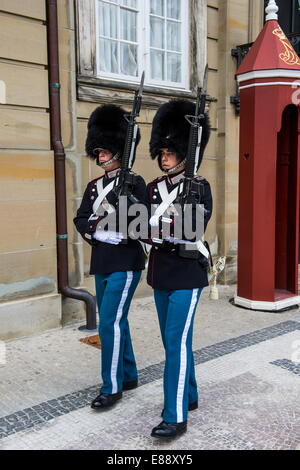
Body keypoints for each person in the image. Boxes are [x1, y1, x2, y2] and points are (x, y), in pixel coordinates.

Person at [146, 99, 212, 438]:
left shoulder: (200, 186)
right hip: (160, 275)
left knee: (175, 341)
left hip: (187, 276)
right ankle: (191, 393)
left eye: (171, 151)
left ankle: (175, 415)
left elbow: (192, 230)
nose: (165, 156)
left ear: (186, 152)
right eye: (163, 151)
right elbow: (134, 226)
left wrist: (163, 229)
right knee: (175, 341)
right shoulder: (152, 188)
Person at [74, 104, 146, 409]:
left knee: (108, 325)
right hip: (102, 260)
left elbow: (140, 222)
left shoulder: (136, 183)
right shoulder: (94, 187)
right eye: (99, 151)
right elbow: (81, 219)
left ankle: (112, 386)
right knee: (116, 320)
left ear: (119, 150)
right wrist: (101, 230)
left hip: (126, 262)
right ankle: (128, 374)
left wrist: (118, 226)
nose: (101, 155)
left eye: (106, 151)